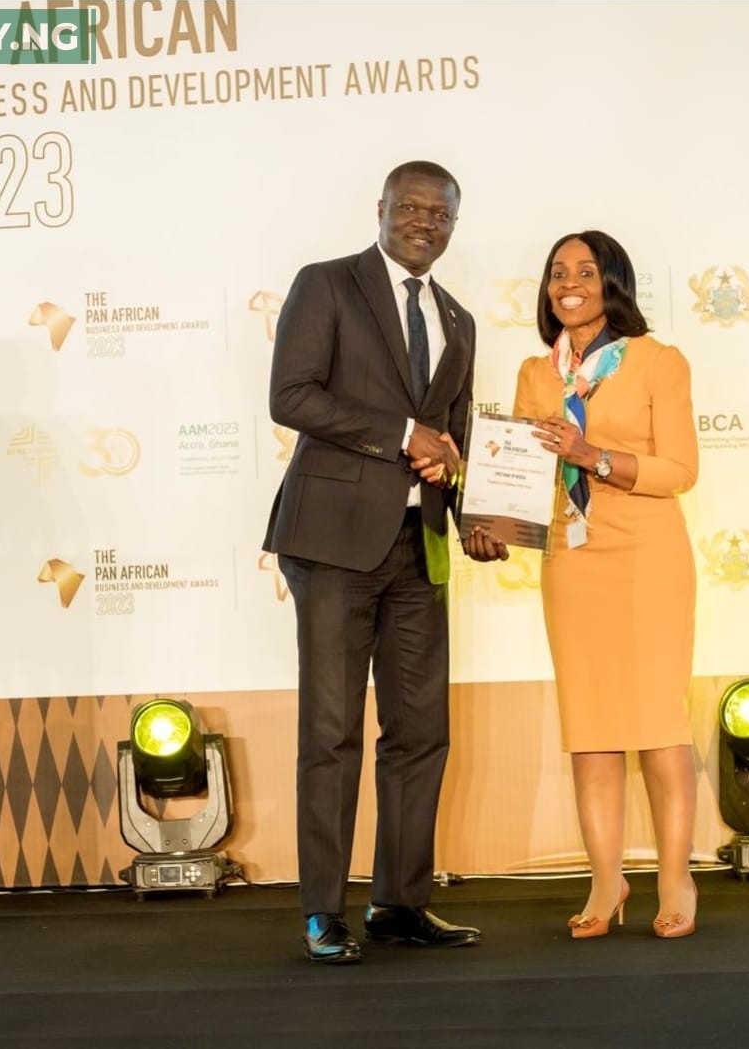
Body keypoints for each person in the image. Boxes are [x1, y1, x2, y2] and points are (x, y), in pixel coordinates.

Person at [264, 161, 505, 964]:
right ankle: (323, 913)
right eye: (411, 207)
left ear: (453, 228)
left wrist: (477, 511)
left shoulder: (460, 321)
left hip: (419, 546)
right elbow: (291, 396)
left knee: (419, 732)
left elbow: (457, 436)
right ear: (381, 210)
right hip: (332, 544)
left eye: (441, 214)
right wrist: (404, 437)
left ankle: (400, 902)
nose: (424, 222)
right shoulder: (326, 284)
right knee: (331, 733)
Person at [474, 230, 699, 939]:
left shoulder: (658, 361)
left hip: (648, 557)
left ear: (614, 283)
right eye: (557, 274)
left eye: (585, 271)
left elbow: (679, 471)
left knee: (660, 725)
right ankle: (606, 880)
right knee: (592, 729)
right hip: (572, 561)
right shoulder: (534, 373)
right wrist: (492, 526)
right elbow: (519, 474)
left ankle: (674, 877)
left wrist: (593, 454)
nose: (568, 283)